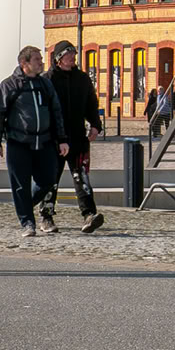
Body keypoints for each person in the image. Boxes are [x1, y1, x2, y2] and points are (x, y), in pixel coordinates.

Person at [0, 45, 69, 236]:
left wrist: (62, 139)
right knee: (20, 185)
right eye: (37, 60)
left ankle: (25, 204)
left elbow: (56, 112)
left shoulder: (45, 84)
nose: (41, 63)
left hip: (44, 142)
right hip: (19, 143)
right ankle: (27, 222)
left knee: (48, 180)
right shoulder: (9, 85)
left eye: (41, 59)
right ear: (24, 63)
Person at [46, 41, 106, 233]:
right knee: (50, 179)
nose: (72, 57)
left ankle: (89, 215)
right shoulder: (48, 80)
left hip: (78, 138)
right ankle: (46, 216)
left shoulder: (82, 79)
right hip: (53, 140)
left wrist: (96, 125)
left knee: (81, 177)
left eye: (73, 54)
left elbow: (91, 104)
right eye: (68, 54)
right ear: (58, 58)